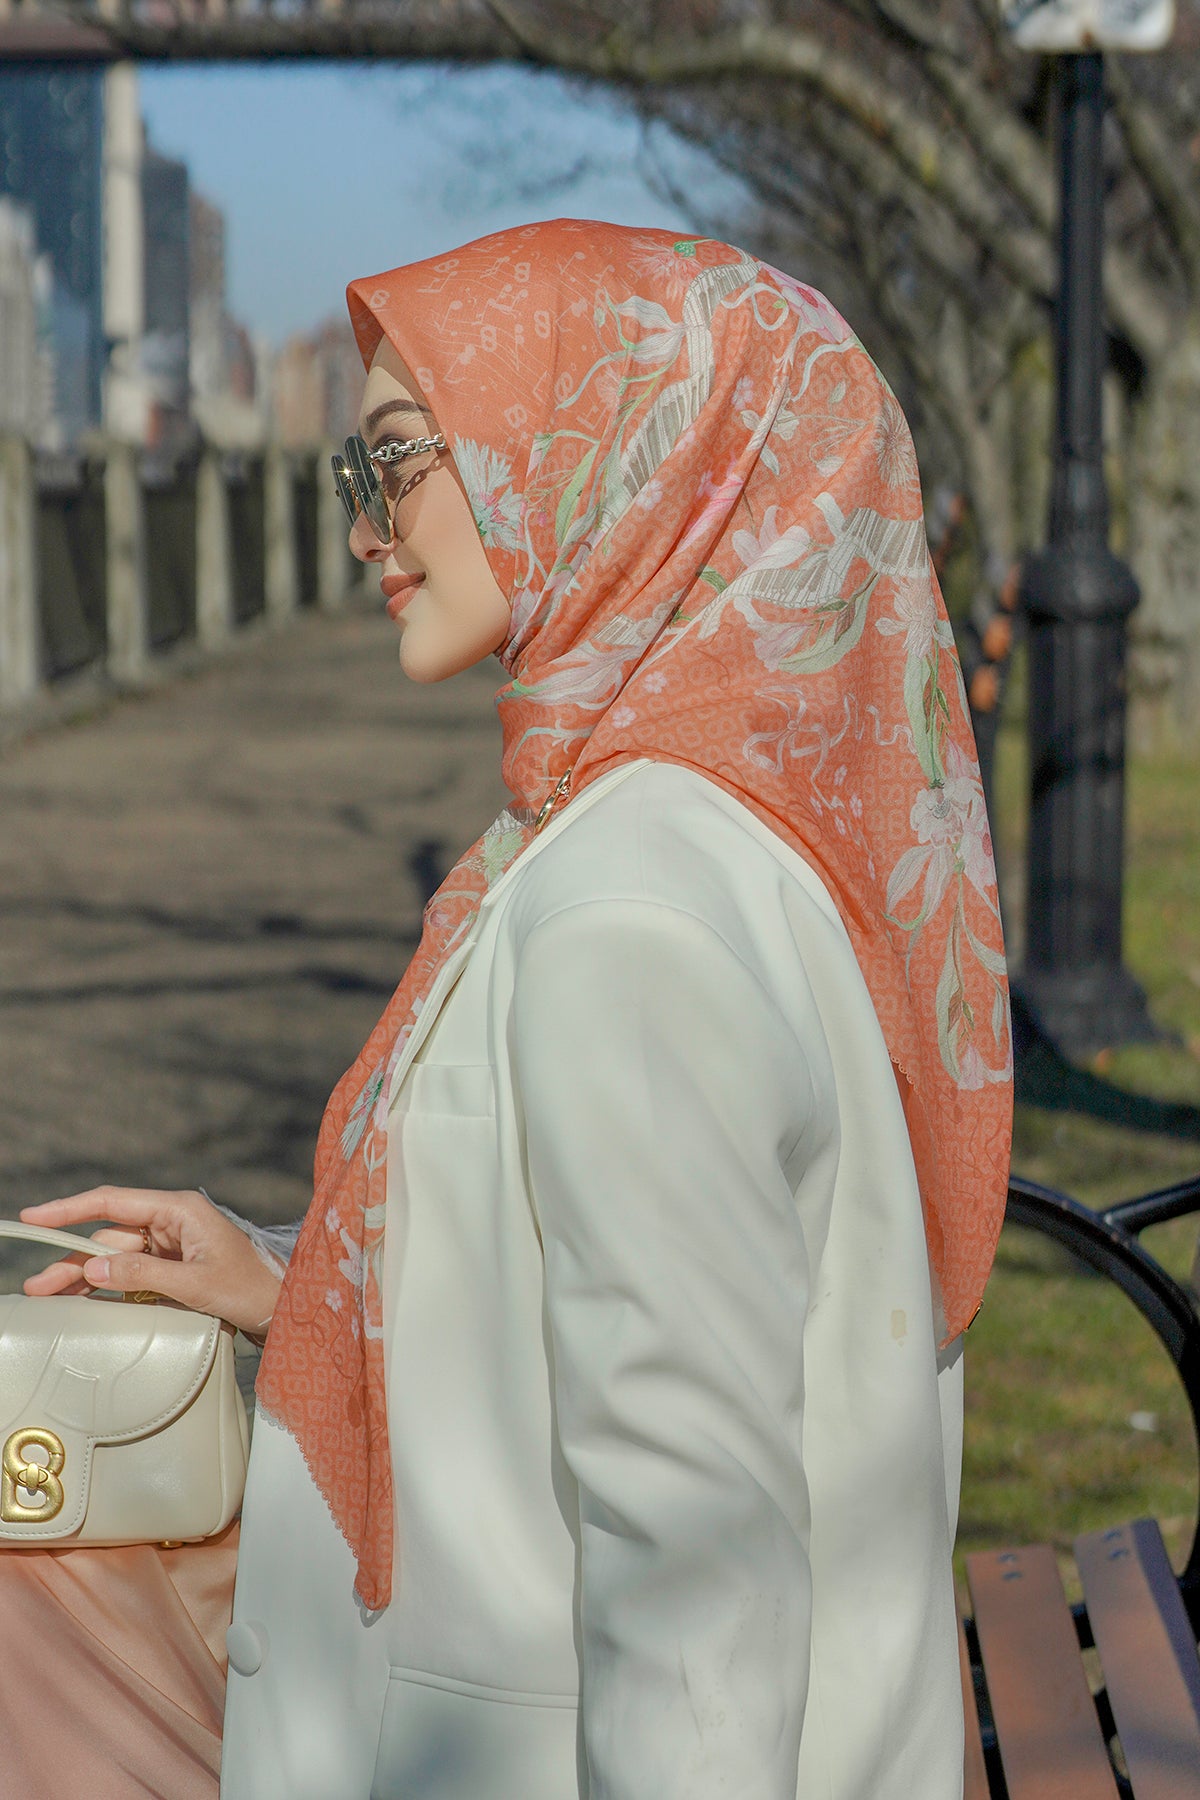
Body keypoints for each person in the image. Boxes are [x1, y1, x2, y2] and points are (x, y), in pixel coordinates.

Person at [20, 219, 1012, 1799]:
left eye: (401, 459)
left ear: (615, 457)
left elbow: (695, 1571)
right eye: (354, 474)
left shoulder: (630, 915)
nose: (369, 530)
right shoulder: (739, 836)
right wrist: (298, 1281)